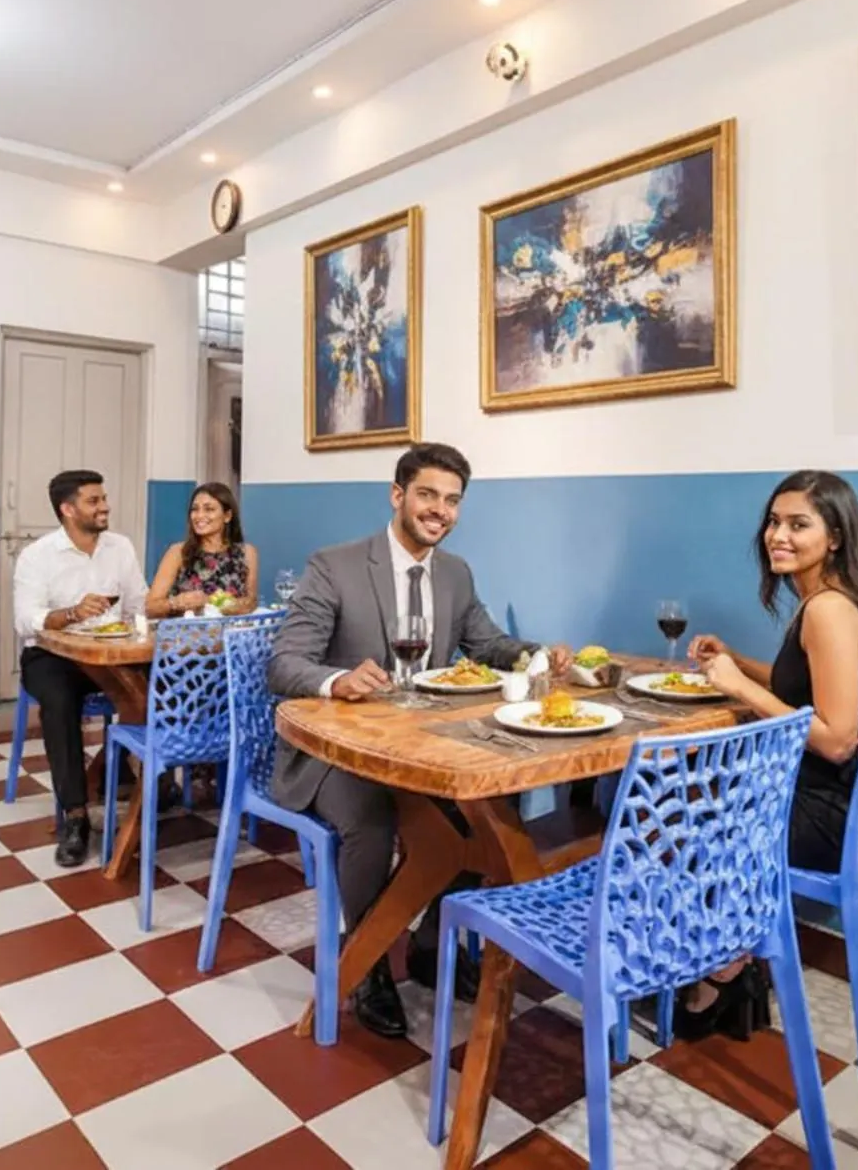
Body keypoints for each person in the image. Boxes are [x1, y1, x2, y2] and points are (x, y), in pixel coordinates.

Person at [267, 442, 572, 1038]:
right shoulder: (336, 564)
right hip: (336, 754)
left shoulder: (455, 572)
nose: (440, 510)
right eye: (428, 494)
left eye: (453, 500)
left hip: (424, 746)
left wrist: (534, 652)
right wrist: (339, 680)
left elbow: (487, 643)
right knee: (373, 819)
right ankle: (372, 958)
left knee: (484, 811)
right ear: (398, 495)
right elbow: (284, 663)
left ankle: (434, 942)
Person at [679, 469, 858, 1039]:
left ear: (834, 537)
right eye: (774, 522)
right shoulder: (832, 601)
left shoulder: (827, 611)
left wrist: (740, 688)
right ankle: (734, 953)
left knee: (680, 817)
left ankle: (725, 966)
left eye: (797, 524)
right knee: (705, 794)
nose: (777, 535)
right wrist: (739, 661)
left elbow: (831, 738)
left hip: (830, 816)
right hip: (856, 805)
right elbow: (806, 688)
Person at [12, 470, 147, 868]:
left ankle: (128, 771)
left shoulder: (119, 547)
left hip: (113, 650)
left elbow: (138, 601)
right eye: (94, 501)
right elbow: (25, 620)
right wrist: (71, 613)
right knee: (59, 702)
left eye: (104, 498)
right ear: (68, 509)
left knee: (158, 682)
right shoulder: (37, 556)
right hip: (52, 655)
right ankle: (75, 815)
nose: (104, 506)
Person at [146, 482, 259, 618]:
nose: (199, 516)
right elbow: (150, 608)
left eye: (209, 509)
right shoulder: (178, 552)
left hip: (232, 635)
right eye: (195, 509)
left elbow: (250, 603)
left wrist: (212, 603)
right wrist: (177, 602)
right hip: (185, 636)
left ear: (227, 516)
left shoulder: (247, 553)